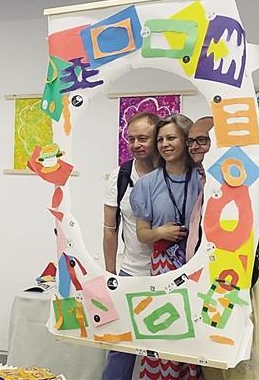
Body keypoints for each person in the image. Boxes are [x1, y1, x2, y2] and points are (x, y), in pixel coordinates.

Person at [185, 117, 259, 380]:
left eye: (202, 140)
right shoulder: (203, 179)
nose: (194, 147)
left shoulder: (240, 179)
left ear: (219, 143)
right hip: (208, 281)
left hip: (234, 279)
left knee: (237, 361)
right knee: (212, 357)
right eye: (191, 141)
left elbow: (244, 233)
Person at [131, 114, 202, 380]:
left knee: (194, 336)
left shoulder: (203, 179)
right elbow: (142, 234)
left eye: (171, 138)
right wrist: (160, 232)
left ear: (186, 140)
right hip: (163, 267)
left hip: (198, 267)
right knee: (164, 332)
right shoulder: (147, 184)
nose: (164, 145)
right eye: (160, 140)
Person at [101, 112, 159, 380]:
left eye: (143, 138)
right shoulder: (120, 176)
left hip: (169, 273)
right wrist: (110, 274)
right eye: (131, 138)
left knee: (166, 348)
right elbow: (109, 229)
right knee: (120, 345)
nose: (136, 144)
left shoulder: (174, 173)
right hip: (131, 272)